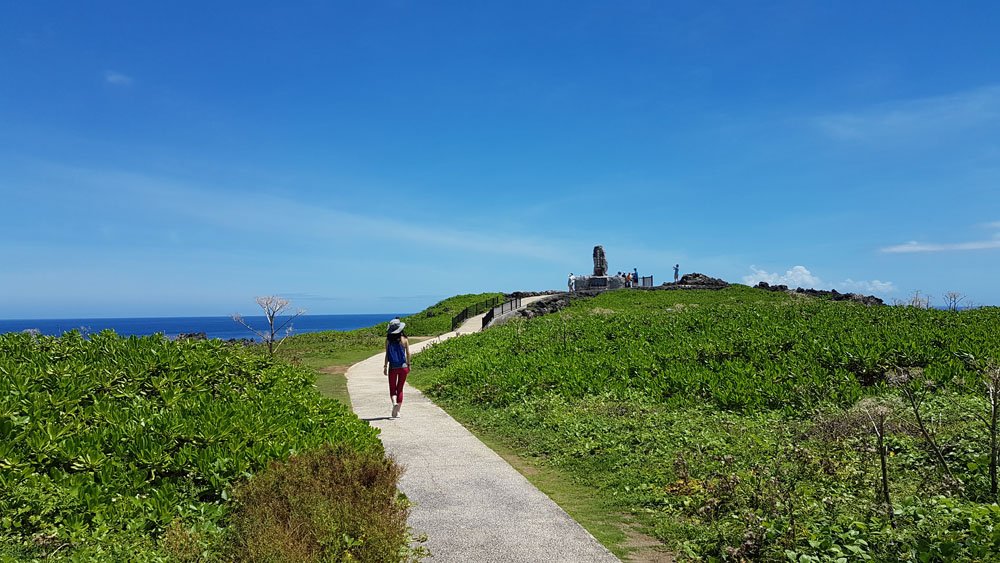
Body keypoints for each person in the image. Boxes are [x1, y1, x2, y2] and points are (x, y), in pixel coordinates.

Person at [383, 317, 411, 418]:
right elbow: (408, 354)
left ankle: (394, 402)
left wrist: (385, 366)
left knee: (392, 387)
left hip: (392, 367)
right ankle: (398, 411)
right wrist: (409, 365)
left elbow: (387, 354)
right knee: (400, 389)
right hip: (403, 367)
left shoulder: (388, 341)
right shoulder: (404, 340)